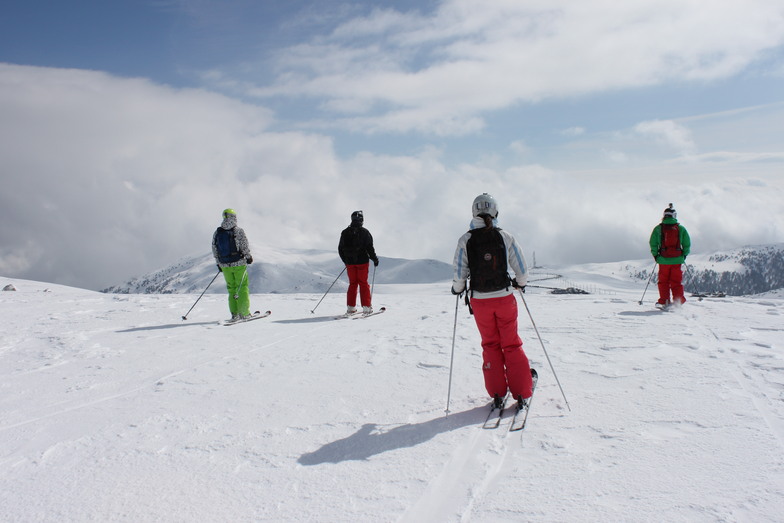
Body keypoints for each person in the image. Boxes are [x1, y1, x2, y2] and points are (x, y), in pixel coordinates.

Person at [451, 193, 533, 409]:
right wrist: (521, 283)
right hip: (504, 297)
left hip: (480, 301)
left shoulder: (465, 239)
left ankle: (497, 390)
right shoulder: (505, 236)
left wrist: (457, 289)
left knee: (490, 344)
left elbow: (459, 273)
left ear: (473, 211)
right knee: (511, 343)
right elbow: (521, 268)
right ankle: (522, 390)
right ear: (495, 211)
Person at [212, 208, 254, 320]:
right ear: (234, 217)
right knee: (242, 287)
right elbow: (244, 245)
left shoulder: (217, 232)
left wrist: (219, 264)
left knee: (232, 289)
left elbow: (214, 249)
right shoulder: (238, 231)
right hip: (239, 263)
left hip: (225, 265)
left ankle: (234, 313)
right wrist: (248, 257)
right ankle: (244, 313)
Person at [649, 203, 691, 308]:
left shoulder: (658, 229)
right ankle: (678, 301)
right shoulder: (680, 229)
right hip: (677, 260)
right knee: (676, 281)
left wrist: (656, 255)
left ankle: (664, 301)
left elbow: (653, 243)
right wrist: (684, 255)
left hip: (663, 260)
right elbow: (687, 244)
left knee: (663, 282)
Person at [338, 210, 379, 315]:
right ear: (361, 220)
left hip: (350, 263)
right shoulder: (365, 232)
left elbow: (340, 249)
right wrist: (374, 259)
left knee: (352, 284)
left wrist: (346, 261)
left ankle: (351, 308)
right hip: (362, 262)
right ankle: (366, 307)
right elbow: (370, 248)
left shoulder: (345, 232)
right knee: (363, 284)